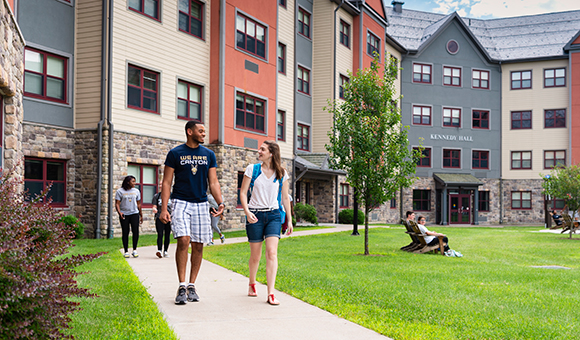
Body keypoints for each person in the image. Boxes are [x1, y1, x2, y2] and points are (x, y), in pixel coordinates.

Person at [159, 120, 225, 305]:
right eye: (201, 131)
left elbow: (213, 182)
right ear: (190, 131)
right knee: (184, 240)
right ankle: (181, 285)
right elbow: (166, 182)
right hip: (180, 201)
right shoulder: (175, 153)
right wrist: (164, 208)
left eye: (205, 131)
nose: (204, 134)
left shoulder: (209, 154)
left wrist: (220, 202)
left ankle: (191, 285)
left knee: (198, 245)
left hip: (201, 203)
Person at [240, 140, 293, 306]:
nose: (259, 151)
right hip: (255, 215)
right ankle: (252, 282)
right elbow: (242, 193)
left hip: (274, 215)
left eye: (262, 149)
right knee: (255, 256)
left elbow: (285, 197)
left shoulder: (282, 173)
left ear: (271, 153)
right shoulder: (252, 169)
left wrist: (289, 220)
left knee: (272, 253)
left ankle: (271, 293)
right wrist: (247, 212)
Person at [115, 175, 143, 258]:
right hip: (124, 214)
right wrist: (119, 213)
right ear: (128, 182)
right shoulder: (120, 191)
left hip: (134, 213)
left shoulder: (136, 191)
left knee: (135, 231)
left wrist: (141, 215)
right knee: (125, 232)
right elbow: (117, 203)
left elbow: (138, 204)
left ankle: (134, 250)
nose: (135, 183)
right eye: (133, 181)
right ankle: (126, 251)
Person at [151, 189, 172, 258]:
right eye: (160, 184)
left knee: (167, 234)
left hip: (169, 218)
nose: (161, 186)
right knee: (160, 234)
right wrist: (154, 209)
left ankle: (165, 251)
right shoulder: (157, 196)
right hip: (159, 217)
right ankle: (159, 250)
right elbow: (154, 206)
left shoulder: (172, 196)